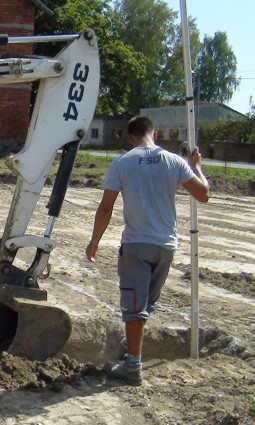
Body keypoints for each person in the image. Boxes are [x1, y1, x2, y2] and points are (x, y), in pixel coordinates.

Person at [86, 116, 210, 385]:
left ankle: (132, 366)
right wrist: (196, 167)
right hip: (165, 247)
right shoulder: (174, 162)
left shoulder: (122, 163)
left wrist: (94, 241)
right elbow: (203, 194)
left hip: (136, 245)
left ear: (130, 137)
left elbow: (106, 207)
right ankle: (132, 349)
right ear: (154, 135)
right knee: (145, 305)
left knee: (134, 307)